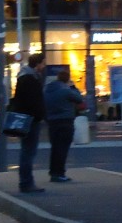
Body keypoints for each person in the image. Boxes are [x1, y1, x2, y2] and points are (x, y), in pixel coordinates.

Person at [10, 52, 47, 193]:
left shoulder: (25, 77)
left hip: (27, 118)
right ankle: (26, 183)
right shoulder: (30, 79)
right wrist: (39, 115)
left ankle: (26, 182)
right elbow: (33, 101)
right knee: (28, 151)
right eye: (43, 63)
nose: (44, 66)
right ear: (37, 64)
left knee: (27, 151)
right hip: (30, 119)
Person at [42, 67, 84, 183]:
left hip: (52, 122)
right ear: (67, 80)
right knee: (63, 149)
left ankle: (53, 172)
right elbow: (79, 99)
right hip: (65, 121)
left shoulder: (46, 91)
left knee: (55, 148)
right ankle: (60, 173)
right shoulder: (66, 90)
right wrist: (73, 87)